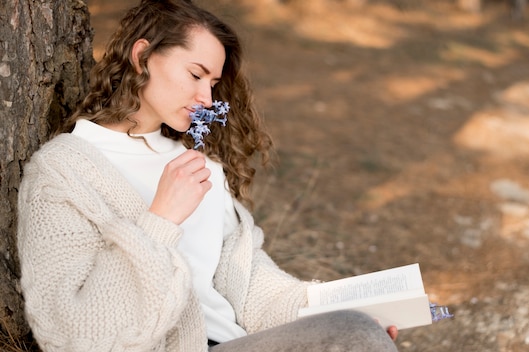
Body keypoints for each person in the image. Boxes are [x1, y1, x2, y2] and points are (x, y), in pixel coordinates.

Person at [16, 0, 399, 351]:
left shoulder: (200, 164)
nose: (207, 99)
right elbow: (72, 336)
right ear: (142, 56)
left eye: (213, 84)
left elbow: (249, 289)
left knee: (358, 329)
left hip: (239, 343)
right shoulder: (63, 172)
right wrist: (161, 219)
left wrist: (341, 314)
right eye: (196, 74)